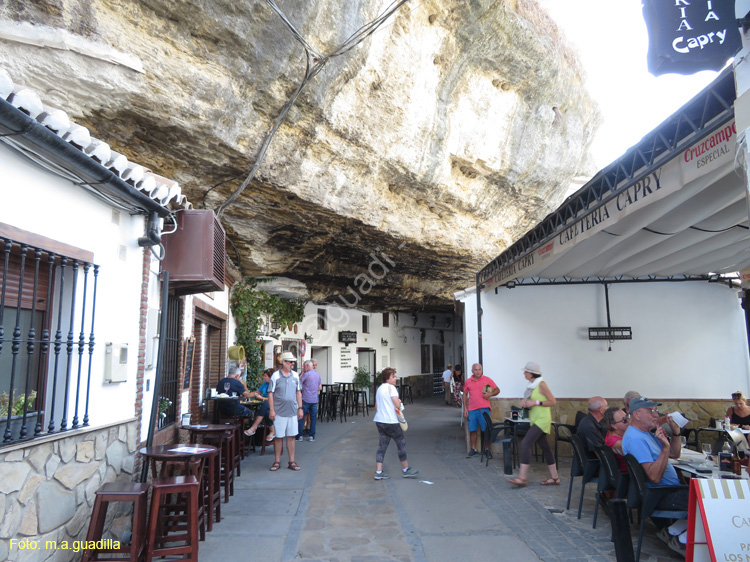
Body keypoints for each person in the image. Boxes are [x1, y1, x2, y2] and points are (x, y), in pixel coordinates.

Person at [622, 397, 685, 507]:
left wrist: (676, 432)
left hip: (669, 490)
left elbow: (674, 454)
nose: (656, 415)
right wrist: (665, 448)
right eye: (651, 411)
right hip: (662, 494)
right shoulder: (636, 439)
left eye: (655, 411)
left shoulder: (646, 433)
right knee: (706, 499)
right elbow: (654, 477)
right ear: (637, 415)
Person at [508, 361, 561, 487]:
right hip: (535, 419)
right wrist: (526, 403)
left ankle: (522, 478)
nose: (524, 373)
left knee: (526, 443)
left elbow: (553, 401)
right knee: (546, 448)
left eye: (526, 371)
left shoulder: (541, 384)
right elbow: (532, 402)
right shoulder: (532, 385)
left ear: (532, 374)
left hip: (542, 419)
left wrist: (535, 403)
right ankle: (555, 478)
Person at [373, 367, 418, 480]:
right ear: (387, 378)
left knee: (382, 445)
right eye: (393, 376)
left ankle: (378, 472)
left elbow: (376, 406)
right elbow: (397, 405)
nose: (395, 379)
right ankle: (406, 469)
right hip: (391, 421)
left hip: (380, 421)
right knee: (401, 443)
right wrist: (399, 402)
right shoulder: (391, 388)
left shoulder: (379, 389)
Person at [268, 351, 303, 471]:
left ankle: (291, 461)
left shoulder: (295, 375)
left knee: (291, 436)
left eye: (293, 361)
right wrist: (272, 410)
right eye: (290, 361)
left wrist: (300, 408)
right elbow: (270, 393)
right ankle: (277, 461)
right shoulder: (275, 376)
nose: (292, 363)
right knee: (278, 437)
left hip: (292, 411)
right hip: (279, 411)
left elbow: (298, 392)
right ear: (283, 362)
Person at [462, 363, 500, 457]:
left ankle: (487, 450)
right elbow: (464, 394)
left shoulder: (487, 379)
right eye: (476, 370)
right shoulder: (468, 381)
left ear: (482, 370)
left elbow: (497, 390)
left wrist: (489, 395)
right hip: (472, 410)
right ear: (472, 371)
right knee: (473, 430)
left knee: (486, 430)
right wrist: (465, 408)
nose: (478, 371)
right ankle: (474, 449)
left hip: (484, 410)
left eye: (479, 369)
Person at [243, 369, 275, 440]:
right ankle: (272, 432)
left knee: (265, 403)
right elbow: (257, 392)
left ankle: (254, 427)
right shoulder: (265, 384)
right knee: (266, 413)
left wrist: (262, 398)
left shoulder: (275, 385)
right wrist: (247, 395)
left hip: (274, 406)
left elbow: (274, 399)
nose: (264, 377)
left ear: (270, 377)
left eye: (265, 376)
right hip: (267, 408)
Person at [297, 360, 322, 442]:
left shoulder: (306, 375)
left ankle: (300, 435)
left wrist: (301, 375)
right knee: (313, 418)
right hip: (314, 399)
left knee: (301, 417)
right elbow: (319, 387)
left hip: (305, 398)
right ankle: (312, 436)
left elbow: (298, 384)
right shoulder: (318, 375)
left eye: (304, 366)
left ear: (307, 366)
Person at [602, 406, 628, 473]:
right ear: (613, 425)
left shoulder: (610, 431)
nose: (629, 420)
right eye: (624, 420)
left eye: (627, 417)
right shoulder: (618, 443)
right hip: (630, 474)